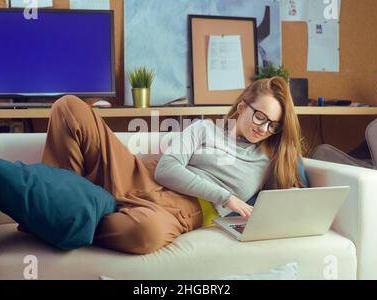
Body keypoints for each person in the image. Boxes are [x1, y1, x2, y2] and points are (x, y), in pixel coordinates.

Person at [42, 76, 307, 255]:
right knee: (69, 107)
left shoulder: (269, 161)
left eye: (273, 124)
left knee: (142, 234)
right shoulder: (204, 128)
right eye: (260, 116)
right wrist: (227, 198)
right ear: (241, 106)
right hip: (142, 175)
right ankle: (64, 207)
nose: (263, 128)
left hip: (186, 207)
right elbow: (166, 168)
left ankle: (65, 215)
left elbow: (290, 200)